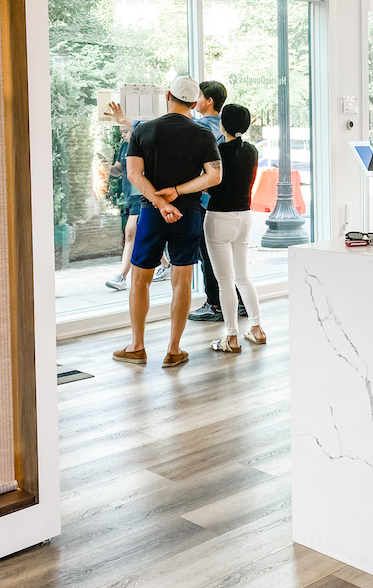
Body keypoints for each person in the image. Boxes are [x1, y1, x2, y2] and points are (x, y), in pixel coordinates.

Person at [112, 75, 221, 369]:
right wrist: (178, 192)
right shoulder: (203, 134)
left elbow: (135, 174)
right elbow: (214, 176)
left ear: (168, 97)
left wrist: (160, 202)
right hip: (189, 212)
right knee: (182, 279)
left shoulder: (145, 130)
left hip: (151, 213)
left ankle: (137, 346)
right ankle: (174, 349)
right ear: (193, 102)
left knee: (140, 279)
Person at [203, 103, 266, 353]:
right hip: (245, 217)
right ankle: (257, 328)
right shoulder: (252, 150)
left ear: (223, 124)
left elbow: (209, 185)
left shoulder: (217, 151)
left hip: (219, 218)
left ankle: (231, 337)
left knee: (225, 282)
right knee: (243, 277)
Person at [188, 80, 247, 323]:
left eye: (199, 96)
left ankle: (216, 304)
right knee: (230, 261)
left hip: (208, 204)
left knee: (210, 256)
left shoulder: (201, 128)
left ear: (209, 100)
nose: (196, 101)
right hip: (237, 209)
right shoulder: (245, 147)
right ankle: (236, 302)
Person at [104, 102, 169, 290]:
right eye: (122, 132)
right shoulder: (125, 147)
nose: (123, 135)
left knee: (131, 232)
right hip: (131, 196)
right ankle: (165, 264)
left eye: (126, 131)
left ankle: (122, 276)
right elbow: (118, 170)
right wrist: (106, 166)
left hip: (144, 195)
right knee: (143, 232)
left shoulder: (146, 145)